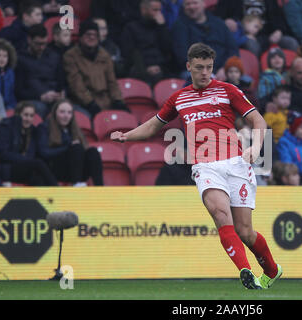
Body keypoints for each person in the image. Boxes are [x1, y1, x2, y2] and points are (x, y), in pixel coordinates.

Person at [111, 43, 282, 290]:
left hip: (236, 162)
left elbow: (257, 119)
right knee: (221, 215)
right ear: (188, 66)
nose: (204, 73)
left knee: (245, 232)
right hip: (205, 166)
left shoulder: (228, 90)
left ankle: (272, 270)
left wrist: (255, 147)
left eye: (209, 68)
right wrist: (127, 135)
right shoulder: (179, 98)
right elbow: (153, 125)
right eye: (199, 67)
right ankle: (245, 271)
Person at [63, 19, 128, 118]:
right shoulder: (70, 56)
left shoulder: (104, 55)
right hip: (83, 103)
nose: (92, 37)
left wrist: (118, 101)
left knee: (125, 116)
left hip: (106, 100)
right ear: (80, 37)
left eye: (95, 34)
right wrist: (90, 104)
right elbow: (76, 85)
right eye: (88, 34)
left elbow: (112, 82)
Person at [36, 99, 104, 186]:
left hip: (76, 170)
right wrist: (68, 147)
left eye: (69, 112)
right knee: (76, 147)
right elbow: (44, 152)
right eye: (62, 112)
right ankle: (76, 184)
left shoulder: (74, 130)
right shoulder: (44, 127)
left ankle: (100, 187)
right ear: (55, 113)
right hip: (55, 170)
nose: (66, 116)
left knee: (93, 152)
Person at [0, 101, 58, 186]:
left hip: (24, 168)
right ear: (18, 114)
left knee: (38, 177)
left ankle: (48, 198)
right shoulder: (5, 127)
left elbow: (39, 152)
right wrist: (24, 159)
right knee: (38, 163)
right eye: (25, 115)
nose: (28, 119)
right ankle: (57, 189)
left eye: (31, 116)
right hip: (7, 169)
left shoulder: (33, 131)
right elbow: (1, 154)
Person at [171, 0, 239, 80]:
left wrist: (225, 68)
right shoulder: (179, 26)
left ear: (203, 4)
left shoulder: (219, 23)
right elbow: (182, 56)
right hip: (194, 72)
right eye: (187, 4)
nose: (191, 7)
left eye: (194, 3)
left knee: (245, 80)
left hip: (222, 71)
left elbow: (233, 49)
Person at [15, 24, 65, 119]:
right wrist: (40, 97)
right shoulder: (20, 59)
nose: (42, 47)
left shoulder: (54, 56)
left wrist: (61, 92)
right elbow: (19, 91)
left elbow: (61, 81)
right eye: (38, 44)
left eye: (44, 44)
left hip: (54, 96)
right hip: (34, 99)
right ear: (29, 40)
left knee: (67, 109)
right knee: (39, 108)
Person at [120, 0, 174, 86]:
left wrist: (162, 28)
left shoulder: (161, 27)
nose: (159, 14)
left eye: (160, 10)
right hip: (139, 69)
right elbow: (129, 53)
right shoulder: (131, 28)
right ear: (143, 10)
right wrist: (147, 67)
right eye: (155, 10)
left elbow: (167, 49)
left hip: (161, 68)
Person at [0, 38, 17, 111]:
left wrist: (13, 107)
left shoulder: (10, 73)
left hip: (8, 106)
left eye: (5, 56)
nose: (2, 59)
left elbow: (11, 93)